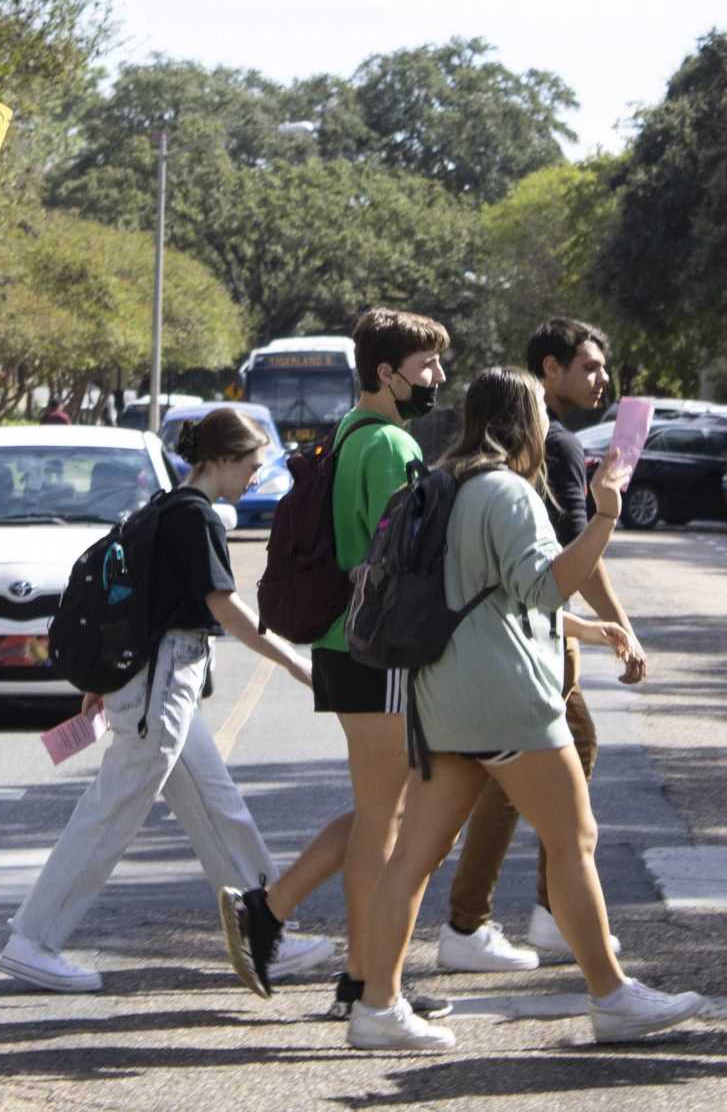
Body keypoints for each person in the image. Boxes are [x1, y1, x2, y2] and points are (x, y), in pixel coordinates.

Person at [349, 369, 704, 1049]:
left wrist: (592, 629)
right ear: (522, 419)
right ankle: (613, 995)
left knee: (412, 859)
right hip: (510, 700)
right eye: (541, 411)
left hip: (443, 698)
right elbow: (544, 586)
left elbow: (487, 594)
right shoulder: (508, 491)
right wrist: (604, 514)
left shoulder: (442, 483)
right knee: (574, 841)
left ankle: (377, 1006)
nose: (548, 423)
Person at [0, 408, 333, 992]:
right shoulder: (193, 517)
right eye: (253, 463)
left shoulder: (165, 507)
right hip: (161, 683)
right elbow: (225, 609)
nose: (257, 475)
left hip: (159, 682)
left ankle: (266, 930)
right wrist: (297, 664)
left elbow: (138, 605)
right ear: (224, 460)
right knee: (113, 811)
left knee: (217, 804)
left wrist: (102, 685)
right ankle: (34, 939)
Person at [220, 309, 459, 1025]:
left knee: (380, 816)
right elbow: (398, 560)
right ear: (387, 373)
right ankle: (322, 945)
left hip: (343, 645)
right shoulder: (387, 443)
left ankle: (349, 965)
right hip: (375, 647)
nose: (438, 379)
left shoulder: (352, 432)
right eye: (427, 367)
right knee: (393, 819)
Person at [440, 317, 650, 975]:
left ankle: (476, 929)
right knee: (544, 789)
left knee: (492, 790)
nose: (602, 379)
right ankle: (508, 921)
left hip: (510, 648)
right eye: (588, 366)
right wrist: (618, 623)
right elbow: (565, 565)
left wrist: (594, 627)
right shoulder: (549, 449)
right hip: (523, 652)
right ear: (547, 372)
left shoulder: (476, 469)